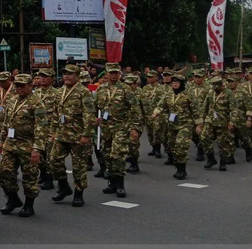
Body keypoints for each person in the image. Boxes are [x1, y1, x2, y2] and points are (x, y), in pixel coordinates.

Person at [0, 73, 48, 217]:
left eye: (22, 86)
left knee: (30, 177)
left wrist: (37, 149)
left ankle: (28, 205)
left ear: (30, 85)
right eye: (17, 85)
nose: (19, 88)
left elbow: (41, 127)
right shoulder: (12, 100)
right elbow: (6, 123)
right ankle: (13, 199)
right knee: (4, 172)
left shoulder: (37, 103)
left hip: (28, 145)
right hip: (11, 144)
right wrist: (2, 140)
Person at [49, 64, 95, 207]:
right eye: (64, 74)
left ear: (77, 76)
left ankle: (78, 193)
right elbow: (56, 114)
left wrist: (86, 134)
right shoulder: (59, 91)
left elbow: (89, 115)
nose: (66, 76)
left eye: (69, 74)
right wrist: (52, 131)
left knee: (78, 166)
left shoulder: (84, 92)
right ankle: (64, 187)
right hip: (62, 134)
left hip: (78, 136)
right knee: (53, 160)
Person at [94, 64, 141, 198]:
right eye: (111, 73)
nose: (113, 75)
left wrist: (134, 128)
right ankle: (112, 182)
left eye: (116, 73)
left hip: (121, 126)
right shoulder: (101, 89)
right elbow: (93, 106)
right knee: (107, 154)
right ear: (106, 74)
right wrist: (94, 118)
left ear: (119, 74)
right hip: (105, 127)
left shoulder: (126, 89)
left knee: (118, 154)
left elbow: (135, 109)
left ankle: (120, 185)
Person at [152, 74, 202, 180]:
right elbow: (161, 105)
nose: (175, 84)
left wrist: (198, 125)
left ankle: (182, 170)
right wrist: (156, 113)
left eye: (177, 83)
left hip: (185, 125)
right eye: (173, 82)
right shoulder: (168, 94)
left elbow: (196, 111)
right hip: (172, 125)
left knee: (181, 145)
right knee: (172, 147)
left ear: (182, 84)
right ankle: (177, 165)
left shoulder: (188, 95)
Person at [199, 76, 236, 171]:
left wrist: (232, 122)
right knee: (204, 138)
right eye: (213, 86)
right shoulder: (211, 93)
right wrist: (200, 121)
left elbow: (234, 109)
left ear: (220, 85)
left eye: (216, 86)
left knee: (222, 143)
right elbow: (205, 107)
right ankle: (211, 159)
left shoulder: (229, 93)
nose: (214, 88)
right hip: (210, 121)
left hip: (223, 122)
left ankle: (223, 163)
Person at [33, 69, 56, 190]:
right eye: (41, 76)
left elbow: (59, 113)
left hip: (50, 128)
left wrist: (55, 131)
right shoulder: (35, 93)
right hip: (38, 129)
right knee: (39, 155)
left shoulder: (56, 94)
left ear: (52, 79)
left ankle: (49, 178)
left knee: (49, 156)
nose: (42, 79)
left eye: (46, 76)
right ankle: (42, 173)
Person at [187, 69, 212, 161]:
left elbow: (211, 101)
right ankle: (199, 145)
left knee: (202, 133)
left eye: (199, 77)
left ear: (204, 78)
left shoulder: (208, 87)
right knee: (193, 133)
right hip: (193, 114)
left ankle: (201, 151)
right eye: (195, 77)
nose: (197, 79)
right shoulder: (190, 87)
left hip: (204, 114)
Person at [142, 70, 165, 158]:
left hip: (157, 114)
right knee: (150, 132)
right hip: (148, 113)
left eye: (151, 77)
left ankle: (158, 149)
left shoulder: (161, 88)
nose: (149, 78)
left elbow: (163, 101)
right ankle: (153, 147)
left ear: (156, 77)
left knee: (157, 131)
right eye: (148, 77)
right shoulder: (145, 88)